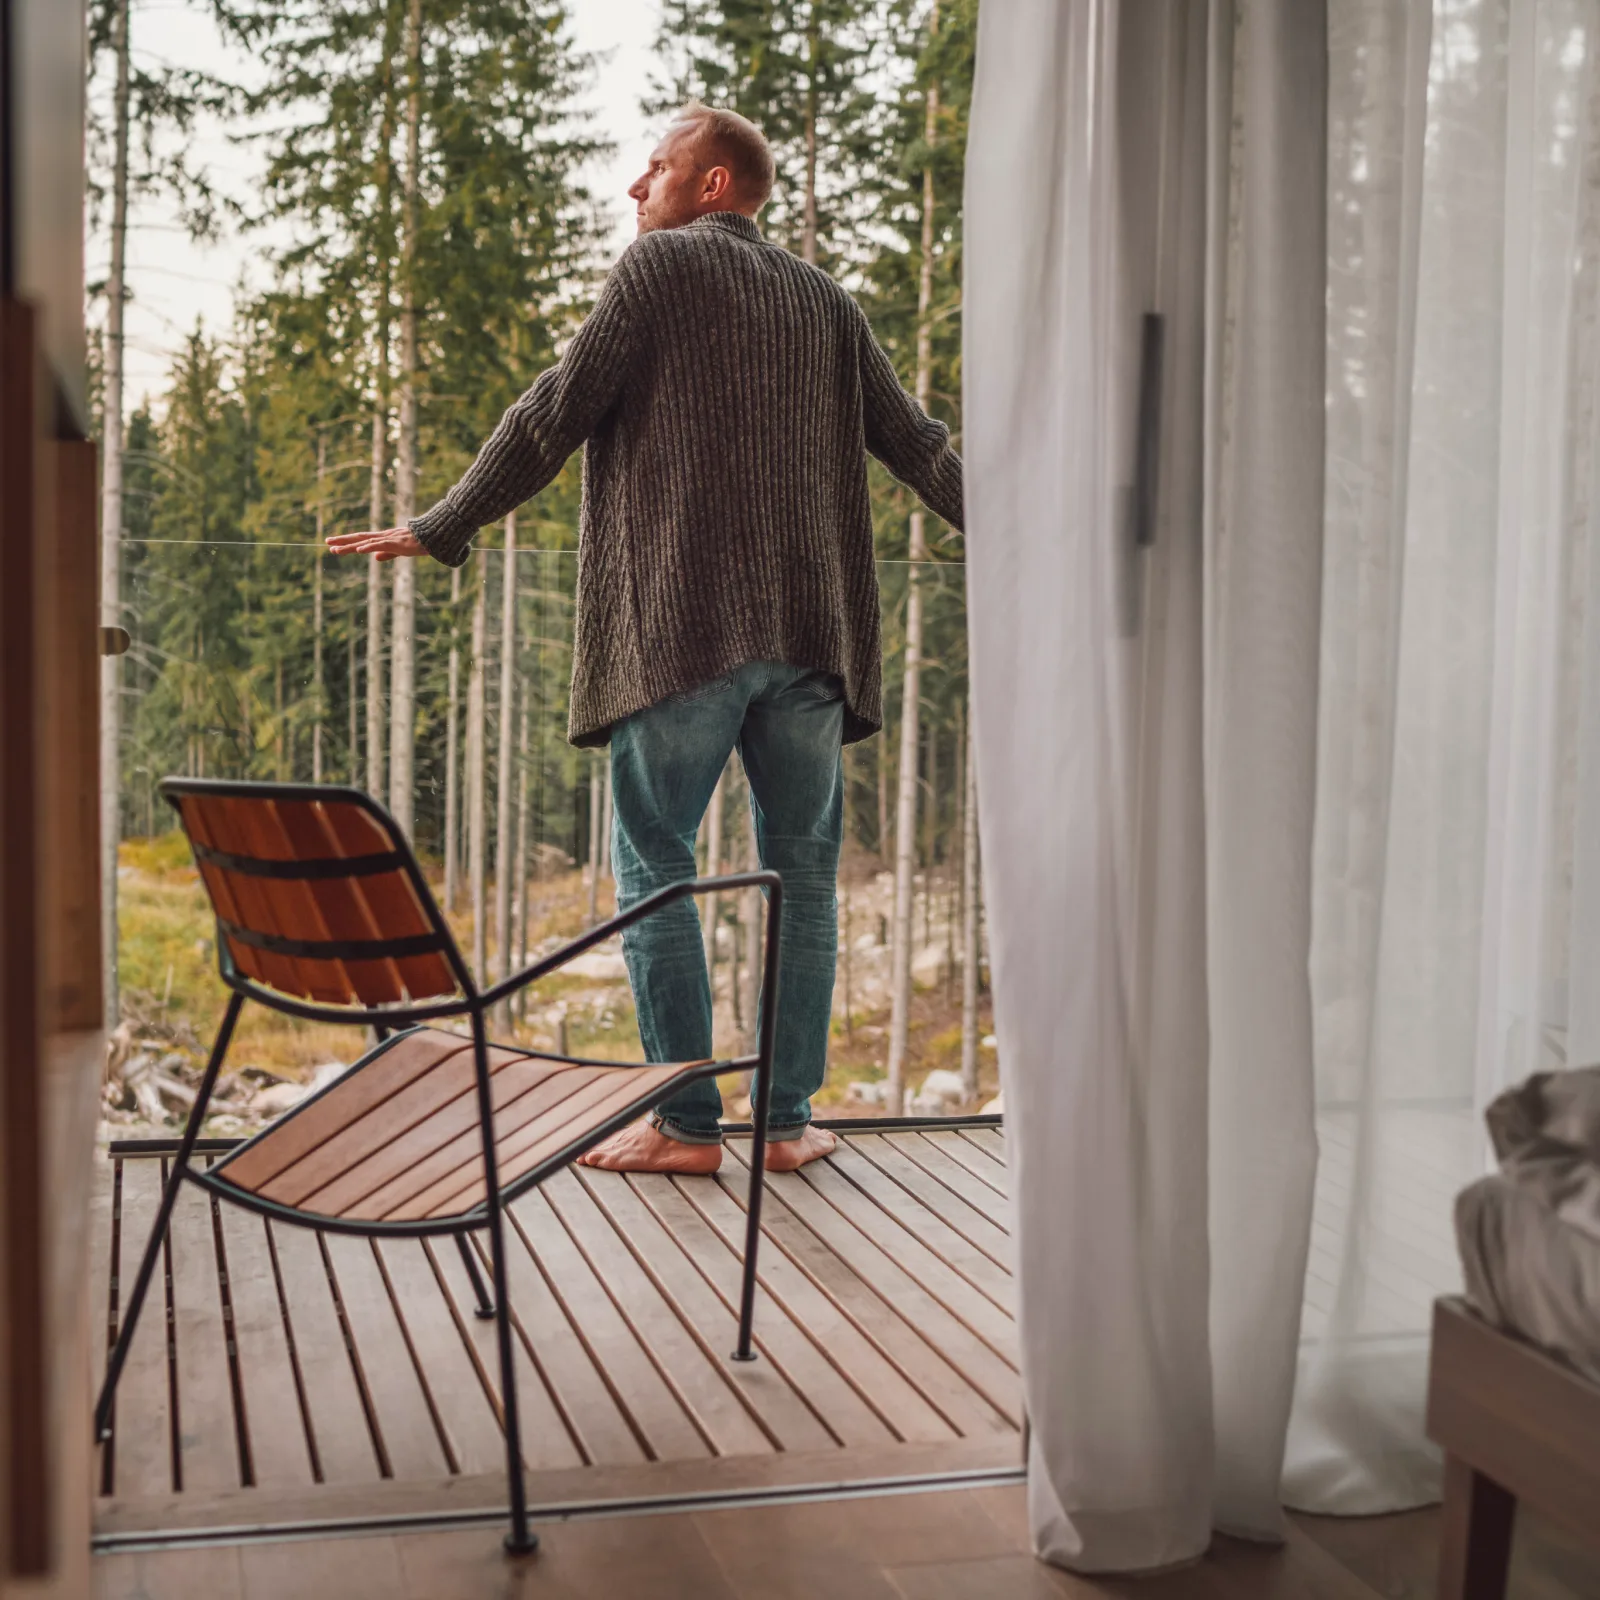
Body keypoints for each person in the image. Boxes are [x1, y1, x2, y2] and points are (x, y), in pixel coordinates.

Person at [329, 103, 963, 1175]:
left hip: (683, 634)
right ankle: (784, 1121)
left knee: (655, 863)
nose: (637, 188)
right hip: (813, 644)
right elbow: (918, 444)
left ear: (714, 184)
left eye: (656, 168)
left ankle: (684, 1124)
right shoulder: (828, 301)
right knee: (801, 877)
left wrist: (441, 527)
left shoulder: (658, 274)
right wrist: (1038, 535)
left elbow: (552, 412)